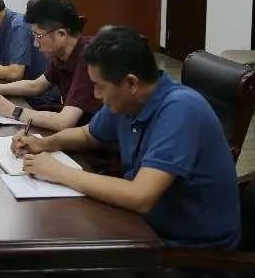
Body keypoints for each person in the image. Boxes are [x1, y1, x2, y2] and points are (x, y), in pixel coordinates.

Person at [13, 27, 240, 249]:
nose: (96, 95)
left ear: (131, 83)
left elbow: (140, 196)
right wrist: (45, 143)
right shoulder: (128, 101)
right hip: (144, 226)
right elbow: (87, 135)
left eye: (99, 86)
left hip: (190, 249)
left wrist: (59, 172)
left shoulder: (180, 109)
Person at [0, 0, 100, 131]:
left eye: (38, 36)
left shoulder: (88, 58)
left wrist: (13, 110)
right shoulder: (62, 55)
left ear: (61, 34)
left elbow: (63, 122)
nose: (36, 44)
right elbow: (35, 86)